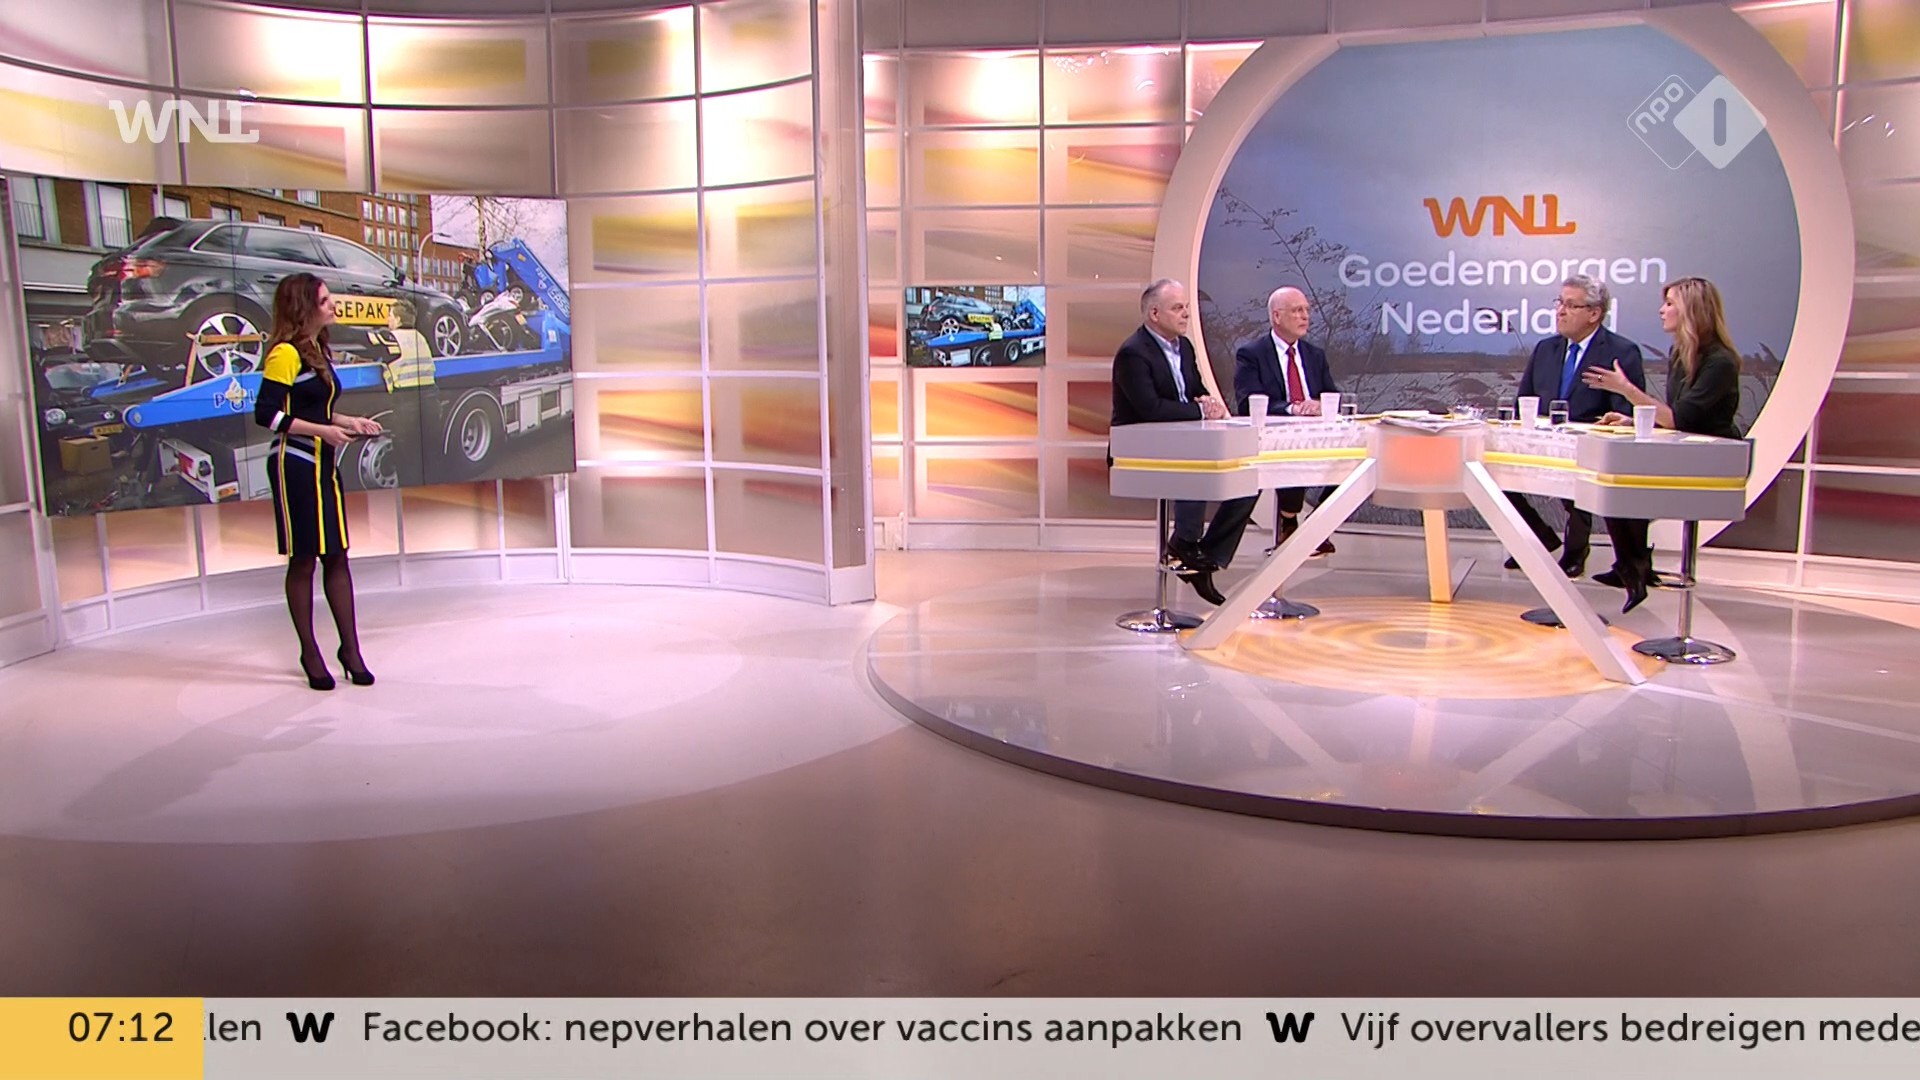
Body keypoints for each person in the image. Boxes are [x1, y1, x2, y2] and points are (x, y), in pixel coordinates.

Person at [253, 273, 385, 690]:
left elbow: (317, 409)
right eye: (325, 300)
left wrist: (348, 421)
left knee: (337, 555)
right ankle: (310, 653)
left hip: (322, 465)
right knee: (304, 559)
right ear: (304, 307)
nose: (333, 305)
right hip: (294, 465)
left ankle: (351, 651)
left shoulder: (317, 350)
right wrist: (323, 431)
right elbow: (268, 415)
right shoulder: (285, 354)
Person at [1581, 276, 1743, 613]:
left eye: (1670, 304)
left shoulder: (1720, 362)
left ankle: (1635, 566)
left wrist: (1627, 390)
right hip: (1684, 449)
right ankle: (1632, 566)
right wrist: (1632, 421)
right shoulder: (1680, 353)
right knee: (1613, 475)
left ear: (1692, 310)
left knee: (1627, 483)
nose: (1662, 310)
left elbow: (1681, 418)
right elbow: (1674, 418)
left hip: (1714, 459)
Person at [1111, 278, 1257, 606]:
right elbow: (1149, 409)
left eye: (1186, 307)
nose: (1186, 314)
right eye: (1178, 308)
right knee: (1195, 464)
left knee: (1247, 480)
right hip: (1139, 447)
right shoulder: (1133, 353)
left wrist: (1208, 403)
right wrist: (1200, 411)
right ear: (1154, 313)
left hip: (1183, 442)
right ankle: (1184, 545)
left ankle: (1204, 555)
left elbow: (1196, 390)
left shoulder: (1185, 347)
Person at [1502, 275, 1646, 577]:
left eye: (1570, 305)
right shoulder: (1545, 349)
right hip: (1542, 442)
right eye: (1559, 303)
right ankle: (1537, 535)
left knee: (1582, 475)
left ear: (1594, 313)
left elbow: (1625, 413)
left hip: (1588, 448)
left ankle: (1576, 551)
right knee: (1491, 471)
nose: (1560, 311)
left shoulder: (1621, 352)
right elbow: (1524, 402)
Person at [1233, 286, 1338, 556]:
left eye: (1306, 311)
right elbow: (1248, 402)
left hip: (1317, 435)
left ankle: (1317, 526)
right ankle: (1289, 522)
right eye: (1297, 311)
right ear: (1277, 316)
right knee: (1294, 453)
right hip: (1276, 437)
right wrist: (1293, 409)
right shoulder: (1252, 354)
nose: (1305, 316)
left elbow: (1331, 395)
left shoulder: (1315, 355)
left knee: (1353, 465)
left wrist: (1319, 405)